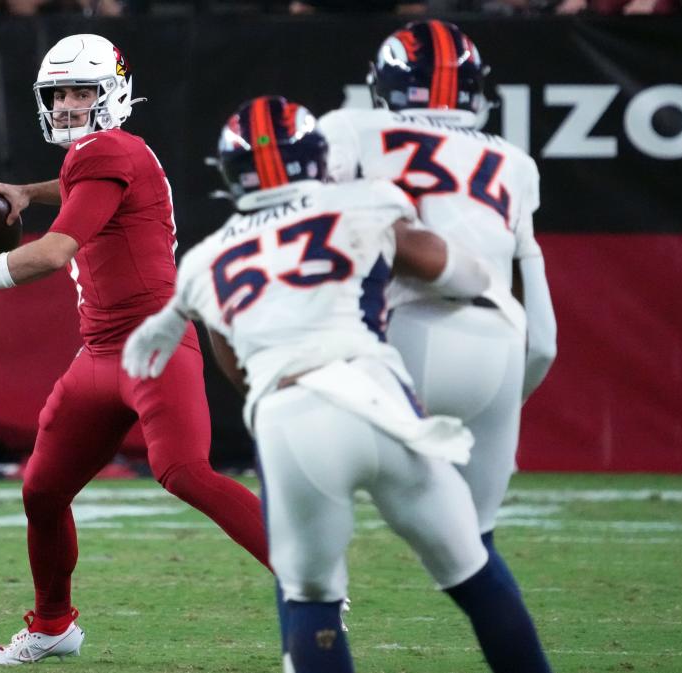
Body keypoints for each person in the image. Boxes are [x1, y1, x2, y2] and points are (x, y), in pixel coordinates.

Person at [122, 95, 552, 673]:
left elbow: (241, 374)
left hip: (291, 416)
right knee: (473, 572)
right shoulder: (363, 201)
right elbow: (460, 271)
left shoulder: (205, 260)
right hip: (375, 398)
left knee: (313, 599)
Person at [0, 33, 269, 665]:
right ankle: (52, 625)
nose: (68, 104)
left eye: (82, 91)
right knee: (41, 490)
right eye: (59, 92)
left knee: (183, 471)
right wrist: (25, 192)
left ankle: (311, 575)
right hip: (98, 354)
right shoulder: (96, 155)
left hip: (153, 344)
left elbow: (52, 253)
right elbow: (78, 182)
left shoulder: (110, 147)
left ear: (113, 92)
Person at [318, 18, 557, 600]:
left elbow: (311, 232)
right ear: (474, 87)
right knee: (474, 552)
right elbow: (544, 338)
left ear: (385, 84)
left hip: (403, 333)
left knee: (305, 504)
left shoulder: (350, 128)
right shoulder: (515, 163)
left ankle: (318, 623)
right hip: (499, 348)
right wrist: (506, 404)